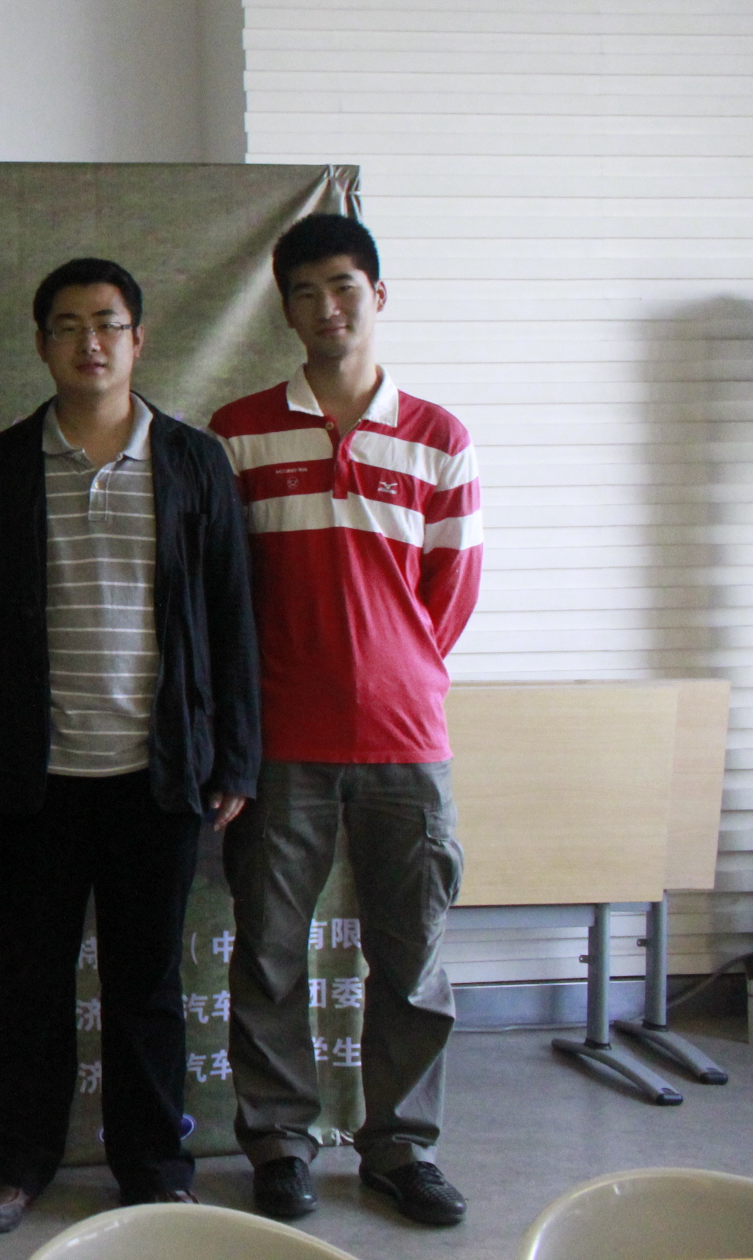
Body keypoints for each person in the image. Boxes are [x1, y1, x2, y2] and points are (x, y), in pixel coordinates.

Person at [0, 258, 259, 1234]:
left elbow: (231, 615)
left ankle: (154, 1164)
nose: (90, 342)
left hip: (157, 773)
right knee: (31, 979)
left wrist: (235, 756)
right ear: (41, 342)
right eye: (68, 325)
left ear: (139, 338)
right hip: (35, 773)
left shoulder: (194, 462)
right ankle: (14, 1161)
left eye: (108, 323)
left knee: (148, 985)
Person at [211, 213, 480, 1230]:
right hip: (281, 742)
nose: (327, 308)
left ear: (378, 295)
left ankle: (401, 1148)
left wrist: (389, 669)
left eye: (344, 287)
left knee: (412, 959)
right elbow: (225, 591)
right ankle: (280, 1144)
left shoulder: (439, 437)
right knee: (270, 953)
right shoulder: (239, 432)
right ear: (284, 310)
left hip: (408, 744)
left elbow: (450, 595)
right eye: (305, 292)